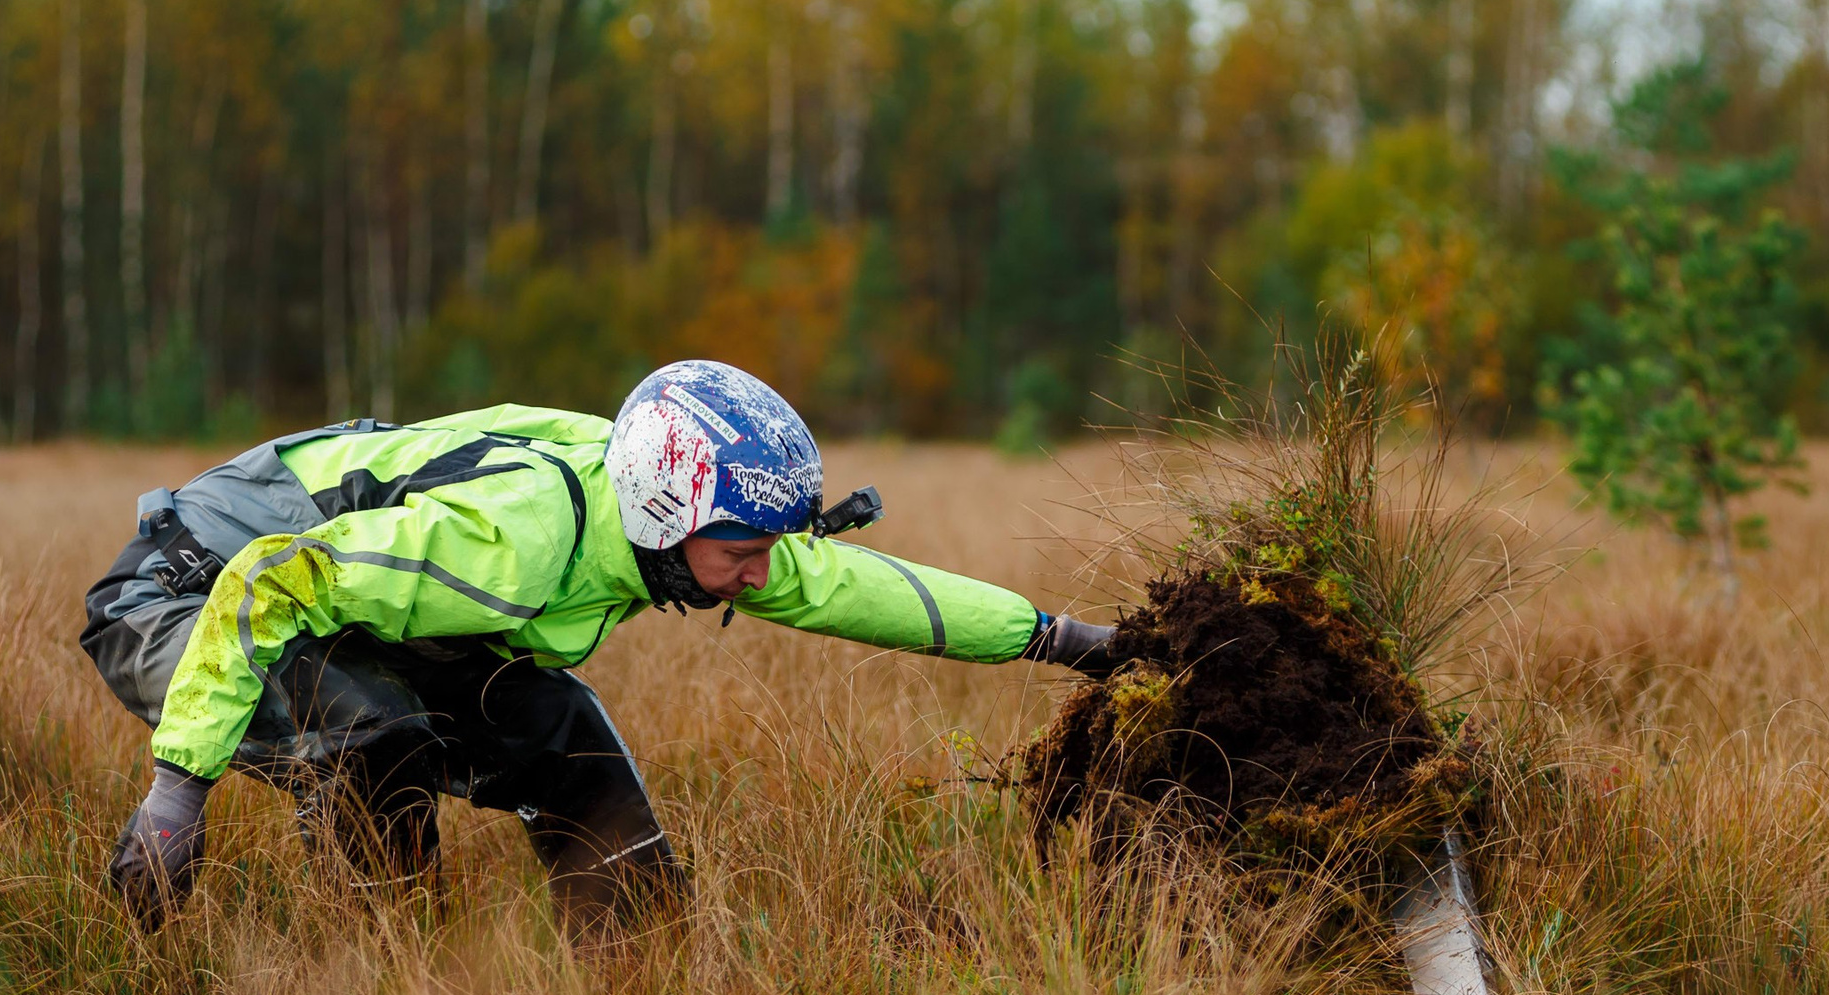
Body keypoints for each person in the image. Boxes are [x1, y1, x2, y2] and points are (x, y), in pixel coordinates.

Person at [82, 360, 1126, 926]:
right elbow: (271, 580)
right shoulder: (515, 537)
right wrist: (179, 791)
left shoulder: (682, 520)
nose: (763, 571)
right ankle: (390, 984)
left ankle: (637, 974)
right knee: (372, 735)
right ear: (671, 513)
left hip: (348, 605)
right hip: (185, 594)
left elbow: (862, 588)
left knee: (565, 739)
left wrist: (1066, 640)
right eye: (745, 549)